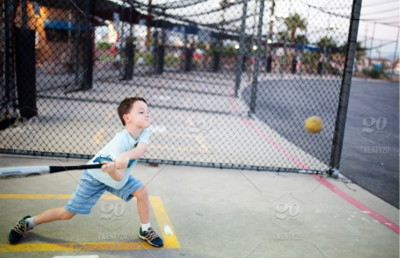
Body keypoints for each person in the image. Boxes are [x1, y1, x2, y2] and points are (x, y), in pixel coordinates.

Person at [8, 97, 163, 247]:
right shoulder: (119, 142)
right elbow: (117, 176)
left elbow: (141, 149)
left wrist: (126, 155)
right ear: (127, 117)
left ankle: (145, 229)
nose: (147, 114)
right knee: (66, 214)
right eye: (141, 112)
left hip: (117, 177)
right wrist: (111, 170)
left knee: (142, 192)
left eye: (147, 111)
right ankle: (28, 222)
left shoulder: (144, 131)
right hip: (94, 178)